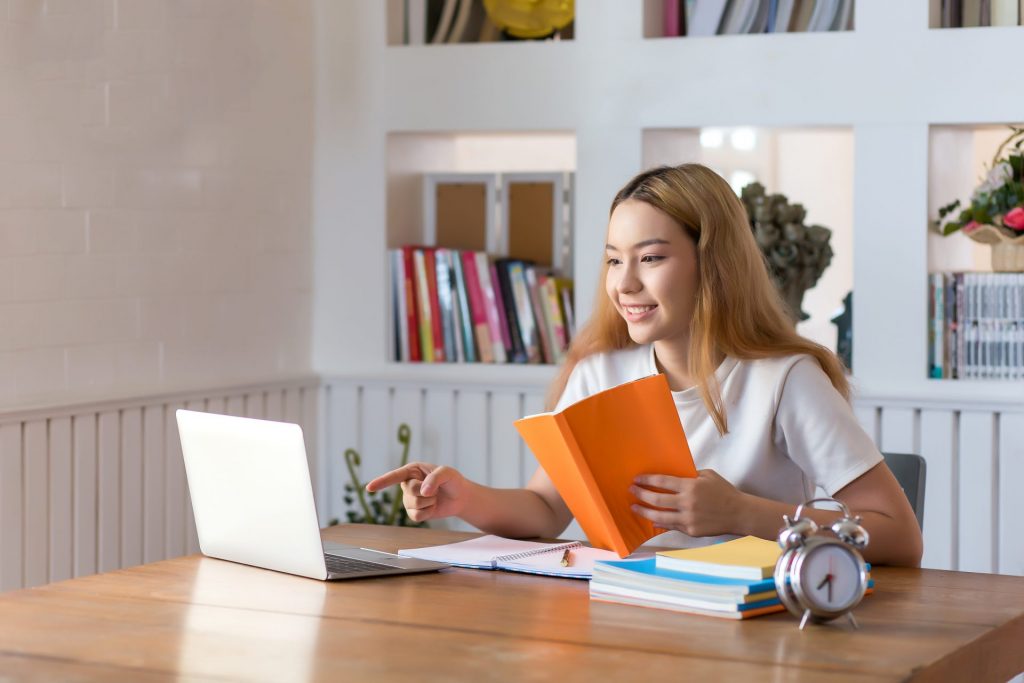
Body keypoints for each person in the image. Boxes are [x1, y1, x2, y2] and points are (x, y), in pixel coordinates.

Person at [367, 164, 923, 567]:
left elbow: (899, 535)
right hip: (624, 614)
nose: (624, 283)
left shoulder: (784, 378)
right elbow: (544, 510)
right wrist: (463, 497)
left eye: (650, 258)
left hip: (753, 629)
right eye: (614, 259)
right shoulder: (597, 374)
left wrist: (743, 513)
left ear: (713, 264)